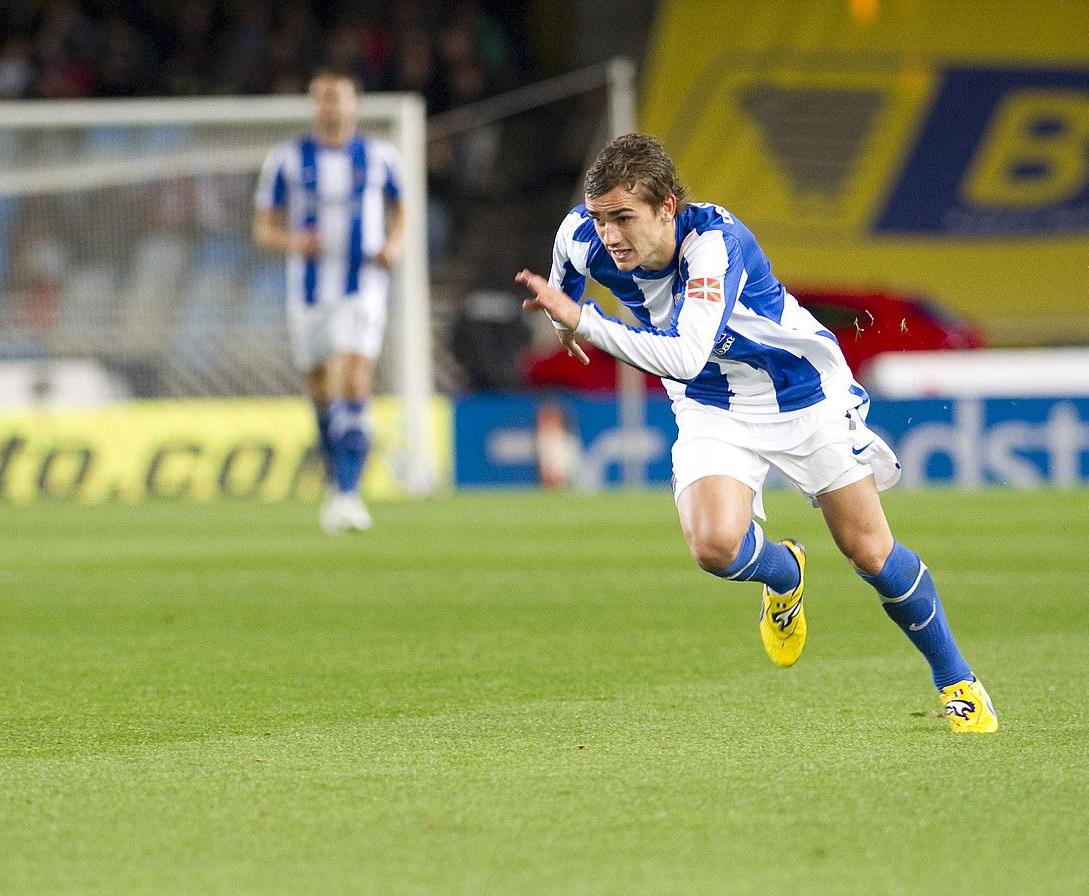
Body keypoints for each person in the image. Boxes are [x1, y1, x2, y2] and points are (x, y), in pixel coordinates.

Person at [516, 134, 997, 733]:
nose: (609, 235)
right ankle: (784, 574)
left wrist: (583, 322)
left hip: (800, 394)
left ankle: (958, 681)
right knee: (715, 547)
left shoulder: (715, 243)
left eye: (623, 218)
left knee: (871, 553)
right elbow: (565, 268)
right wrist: (567, 314)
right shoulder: (583, 235)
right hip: (711, 404)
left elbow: (688, 352)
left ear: (666, 207)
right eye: (600, 218)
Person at [253, 69, 405, 534]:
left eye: (339, 98)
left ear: (355, 104)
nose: (331, 107)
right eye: (323, 99)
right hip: (309, 291)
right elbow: (263, 229)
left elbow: (402, 209)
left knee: (355, 378)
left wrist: (393, 245)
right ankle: (337, 484)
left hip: (363, 287)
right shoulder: (286, 159)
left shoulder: (380, 156)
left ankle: (349, 494)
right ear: (314, 105)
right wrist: (296, 242)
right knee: (320, 390)